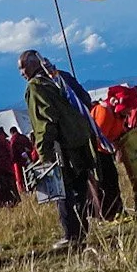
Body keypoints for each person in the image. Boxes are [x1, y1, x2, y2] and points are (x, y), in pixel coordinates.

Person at [20, 49, 97, 247]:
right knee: (81, 187)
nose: (21, 73)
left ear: (32, 65)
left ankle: (72, 235)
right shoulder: (61, 77)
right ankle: (82, 230)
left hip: (61, 147)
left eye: (22, 68)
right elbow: (85, 100)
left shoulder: (36, 87)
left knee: (62, 191)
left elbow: (44, 121)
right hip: (81, 140)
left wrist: (45, 153)